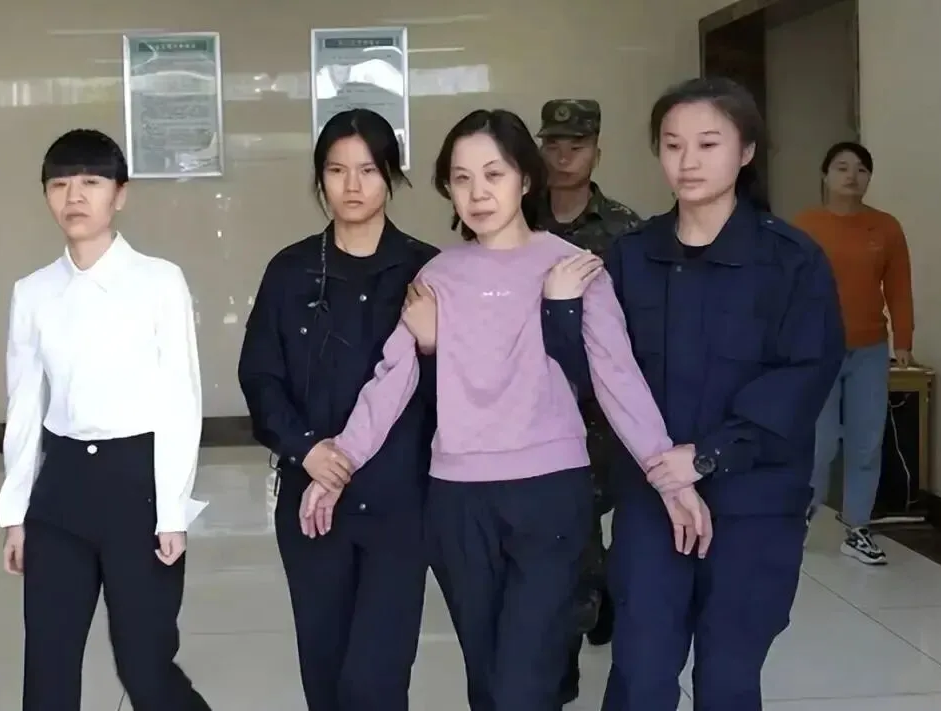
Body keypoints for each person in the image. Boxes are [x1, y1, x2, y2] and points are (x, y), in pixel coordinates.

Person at [300, 108, 708, 711]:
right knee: (488, 682)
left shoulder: (573, 268)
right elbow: (392, 379)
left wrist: (664, 471)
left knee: (524, 681)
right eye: (462, 179)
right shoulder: (437, 275)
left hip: (549, 495)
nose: (479, 193)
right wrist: (341, 463)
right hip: (458, 502)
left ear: (525, 179)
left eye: (494, 174)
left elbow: (616, 375)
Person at [552, 78, 845, 710]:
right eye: (672, 144)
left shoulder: (792, 261)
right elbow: (598, 369)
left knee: (729, 675)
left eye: (708, 144)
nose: (687, 161)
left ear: (746, 151)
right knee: (640, 671)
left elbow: (804, 374)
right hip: (651, 498)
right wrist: (559, 311)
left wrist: (708, 455)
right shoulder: (631, 257)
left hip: (753, 501)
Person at [0, 129, 211, 710]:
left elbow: (181, 399)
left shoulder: (159, 282)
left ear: (120, 194)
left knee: (145, 665)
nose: (74, 197)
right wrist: (15, 513)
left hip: (137, 489)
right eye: (60, 184)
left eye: (91, 182)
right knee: (48, 664)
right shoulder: (33, 292)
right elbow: (23, 405)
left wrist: (172, 510)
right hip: (60, 492)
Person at [237, 109, 438, 711]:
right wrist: (306, 448)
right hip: (312, 500)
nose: (352, 186)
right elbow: (260, 377)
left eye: (368, 170)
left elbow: (456, 390)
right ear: (320, 178)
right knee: (325, 676)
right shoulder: (290, 270)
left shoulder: (428, 270)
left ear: (391, 176)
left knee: (377, 681)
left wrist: (433, 343)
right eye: (336, 170)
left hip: (400, 504)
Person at [537, 97, 644, 702]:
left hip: (605, 413)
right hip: (538, 410)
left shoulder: (626, 229)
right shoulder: (516, 218)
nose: (563, 156)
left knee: (603, 535)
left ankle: (601, 598)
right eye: (552, 145)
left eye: (575, 146)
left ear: (596, 153)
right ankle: (564, 663)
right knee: (563, 537)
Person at [795, 141, 914, 565]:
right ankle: (802, 513)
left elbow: (898, 285)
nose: (852, 175)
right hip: (818, 349)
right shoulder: (805, 226)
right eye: (842, 167)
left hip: (869, 349)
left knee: (867, 440)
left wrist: (903, 339)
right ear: (826, 175)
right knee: (821, 441)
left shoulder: (885, 227)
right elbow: (787, 288)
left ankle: (857, 527)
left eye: (861, 169)